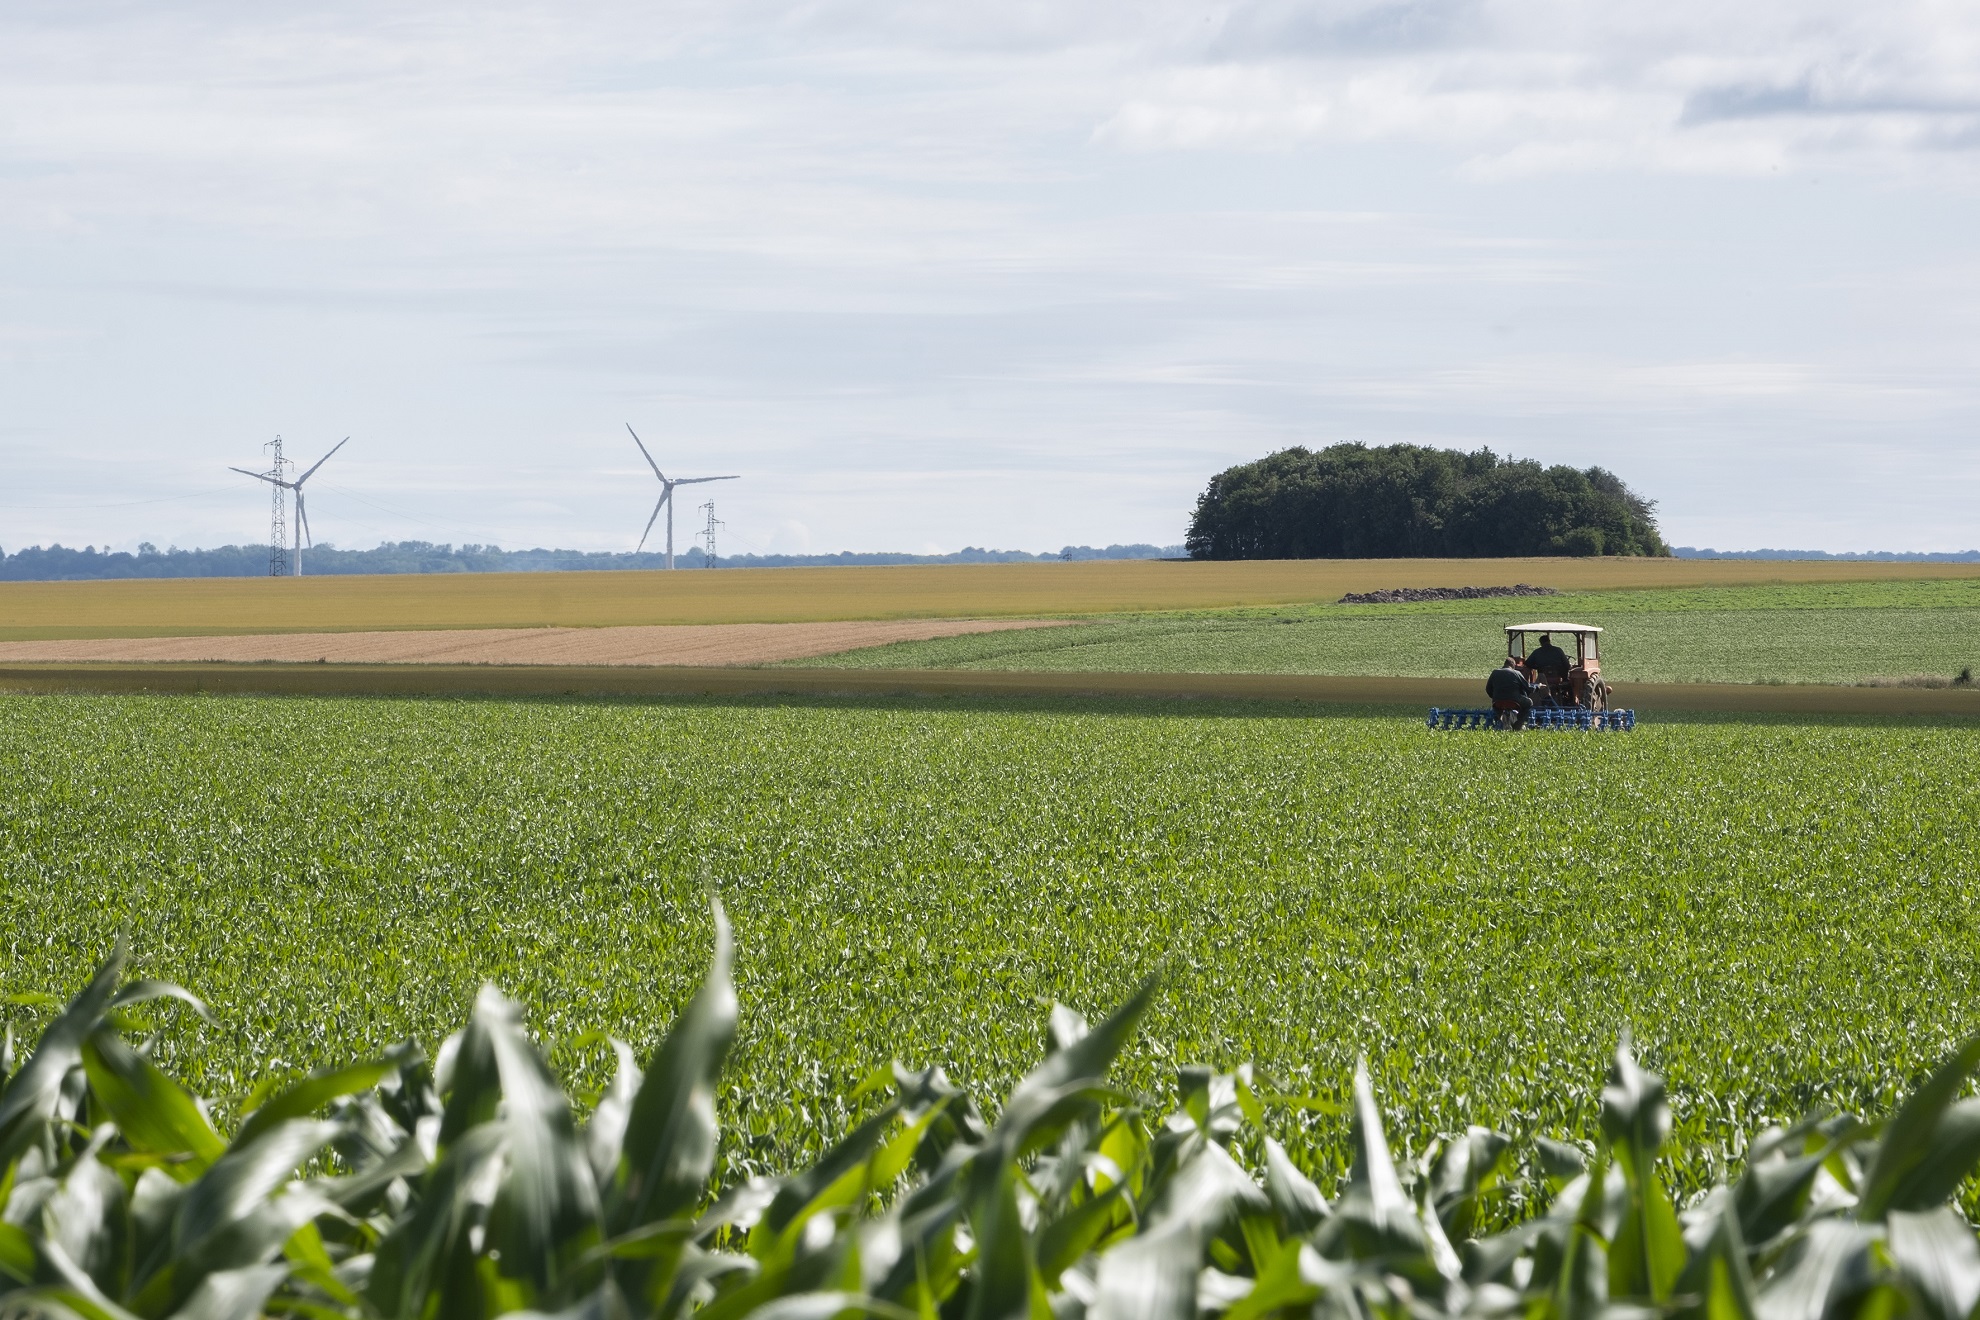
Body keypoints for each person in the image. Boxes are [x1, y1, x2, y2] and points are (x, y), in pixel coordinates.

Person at [1485, 655, 1533, 729]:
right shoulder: (1517, 673)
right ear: (1513, 665)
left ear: (1504, 664)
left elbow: (1488, 689)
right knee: (1529, 703)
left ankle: (1502, 721)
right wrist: (1537, 687)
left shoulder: (1495, 672)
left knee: (1496, 707)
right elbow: (1528, 688)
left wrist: (1495, 696)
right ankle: (1518, 724)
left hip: (1498, 702)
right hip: (1514, 701)